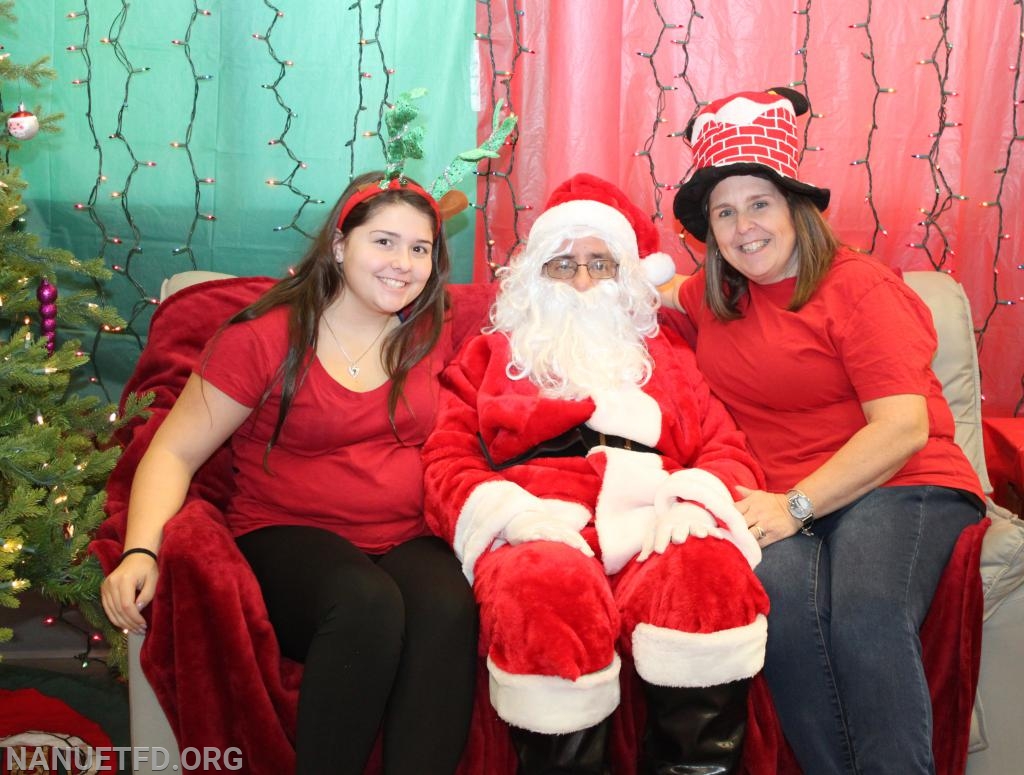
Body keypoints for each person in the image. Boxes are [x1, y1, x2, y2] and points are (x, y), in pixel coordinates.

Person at [100, 171, 478, 775]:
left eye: (420, 248)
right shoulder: (264, 336)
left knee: (450, 605)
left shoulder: (431, 331)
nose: (403, 264)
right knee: (364, 603)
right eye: (383, 242)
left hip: (407, 534)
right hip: (287, 533)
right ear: (338, 245)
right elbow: (172, 453)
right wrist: (139, 550)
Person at [661, 88, 985, 775]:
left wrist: (795, 504)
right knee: (777, 610)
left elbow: (902, 425)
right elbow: (635, 292)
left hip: (897, 481)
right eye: (724, 211)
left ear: (794, 208)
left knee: (865, 610)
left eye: (759, 203)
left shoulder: (856, 286)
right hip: (785, 501)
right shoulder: (713, 295)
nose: (743, 226)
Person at [422, 173, 770, 775]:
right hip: (538, 519)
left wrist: (695, 504)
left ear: (627, 277)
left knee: (707, 572)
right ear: (536, 275)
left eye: (600, 264)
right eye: (563, 266)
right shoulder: (491, 352)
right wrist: (511, 515)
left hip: (652, 515)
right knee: (544, 587)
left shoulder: (666, 351)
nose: (582, 281)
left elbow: (724, 445)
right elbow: (446, 458)